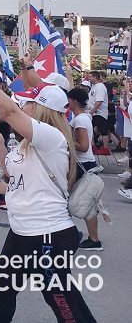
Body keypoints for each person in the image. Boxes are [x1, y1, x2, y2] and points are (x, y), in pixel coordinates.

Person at [0, 76, 96, 323]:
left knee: (60, 299)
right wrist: (1, 149)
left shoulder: (51, 136)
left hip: (48, 233)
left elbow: (8, 111)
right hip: (21, 231)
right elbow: (12, 176)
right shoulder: (27, 142)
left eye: (28, 103)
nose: (22, 106)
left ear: (41, 108)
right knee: (3, 291)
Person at [67, 88, 102, 250]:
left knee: (65, 200)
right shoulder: (84, 118)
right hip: (87, 163)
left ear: (73, 101)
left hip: (82, 165)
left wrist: (65, 140)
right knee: (88, 202)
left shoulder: (80, 120)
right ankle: (93, 240)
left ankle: (70, 235)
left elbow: (83, 146)